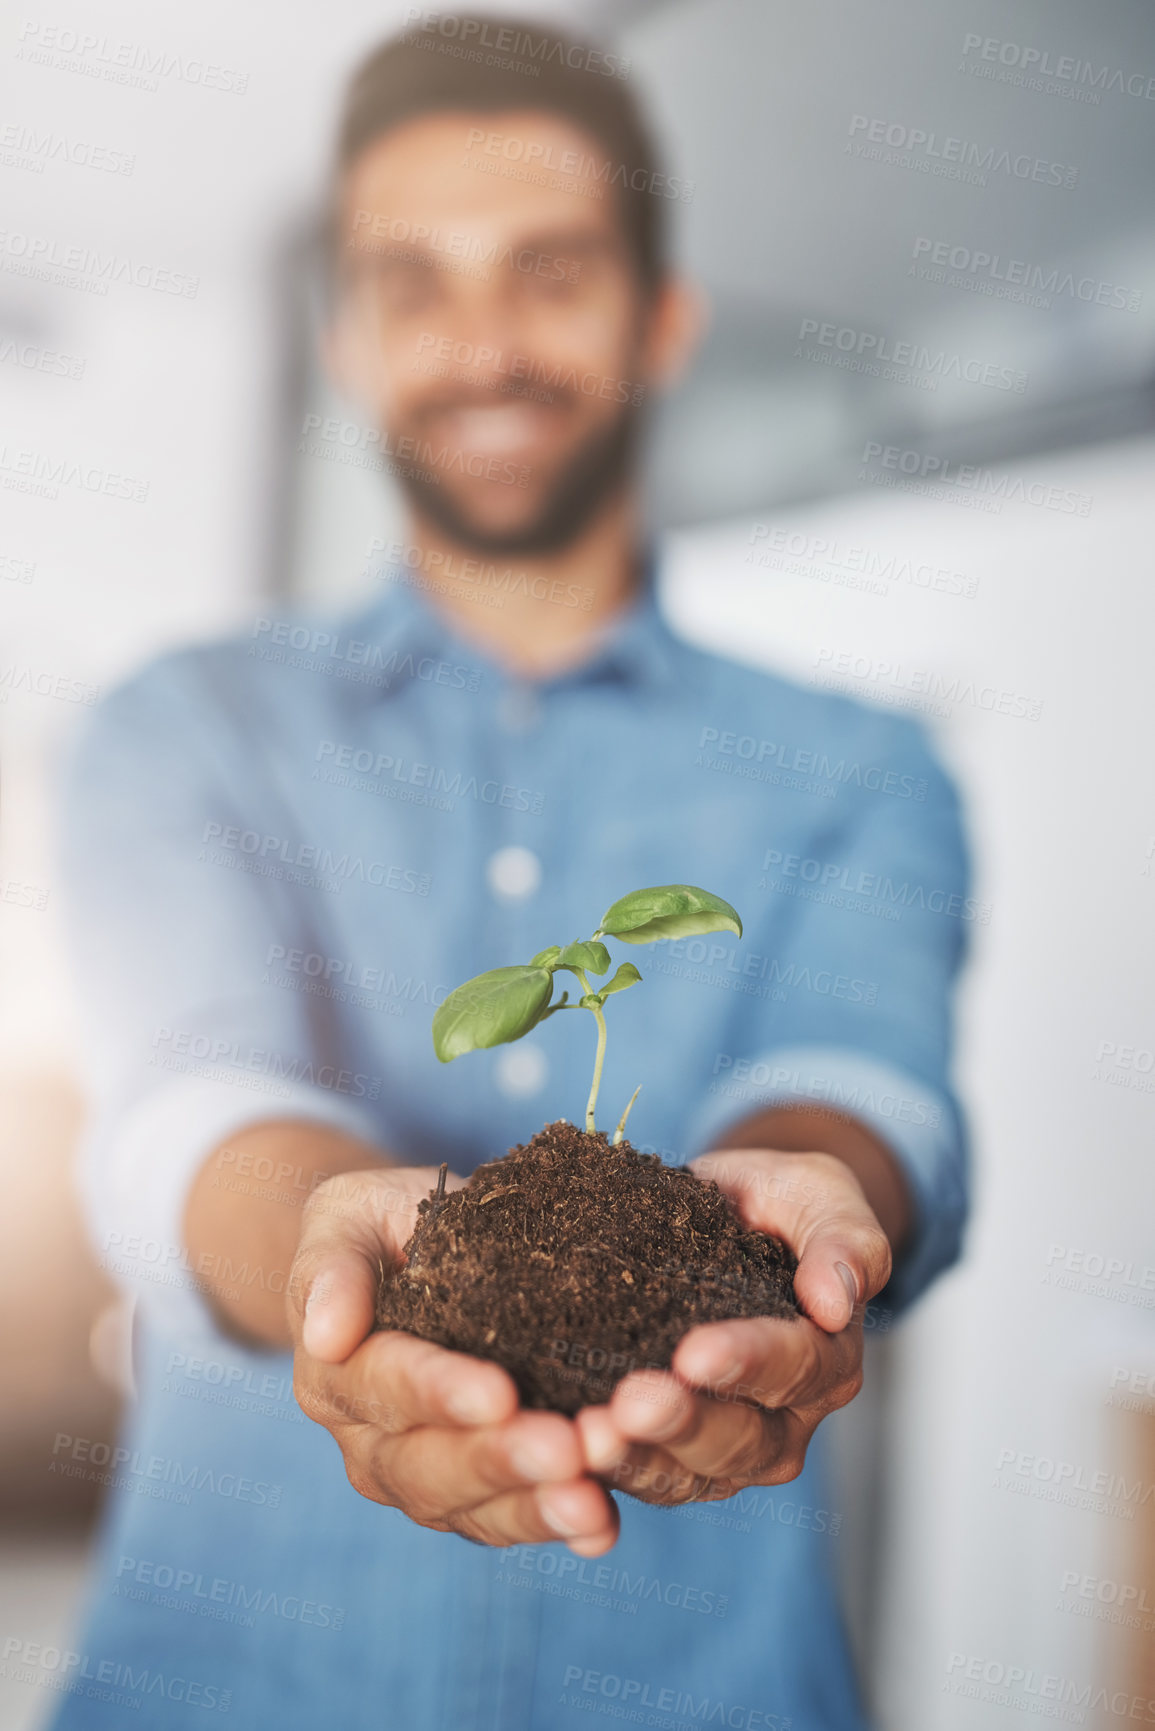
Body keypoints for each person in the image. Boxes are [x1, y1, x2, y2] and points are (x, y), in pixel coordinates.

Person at [54, 17, 969, 1728]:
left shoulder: (861, 766)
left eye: (547, 273)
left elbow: (860, 1076)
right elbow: (185, 1094)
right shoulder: (176, 732)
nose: (481, 344)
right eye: (417, 284)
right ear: (350, 340)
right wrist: (329, 1245)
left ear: (660, 318)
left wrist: (805, 1200)